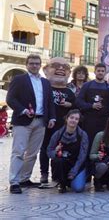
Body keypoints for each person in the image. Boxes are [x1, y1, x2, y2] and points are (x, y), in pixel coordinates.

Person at [7, 54, 56, 194]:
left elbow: (49, 102)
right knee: (18, 152)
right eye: (32, 63)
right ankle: (14, 182)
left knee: (32, 153)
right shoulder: (19, 79)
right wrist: (22, 110)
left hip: (40, 121)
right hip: (22, 121)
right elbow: (10, 98)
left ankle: (24, 179)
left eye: (37, 63)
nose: (34, 66)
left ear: (40, 65)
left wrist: (52, 117)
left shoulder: (46, 83)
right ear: (27, 64)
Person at [40, 57, 75, 184]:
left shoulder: (70, 92)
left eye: (65, 67)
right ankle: (44, 174)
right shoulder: (42, 88)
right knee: (44, 149)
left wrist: (69, 105)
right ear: (45, 70)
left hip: (63, 127)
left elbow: (76, 108)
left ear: (69, 73)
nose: (61, 69)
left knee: (61, 150)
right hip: (46, 124)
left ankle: (57, 175)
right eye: (56, 65)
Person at [47, 109, 88, 193]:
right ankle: (61, 183)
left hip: (76, 164)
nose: (73, 120)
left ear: (79, 121)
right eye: (71, 118)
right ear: (67, 119)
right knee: (58, 161)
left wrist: (74, 171)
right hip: (62, 164)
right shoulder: (57, 134)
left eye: (76, 119)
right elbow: (49, 151)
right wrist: (55, 151)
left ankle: (71, 181)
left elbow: (82, 156)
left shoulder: (83, 135)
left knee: (78, 188)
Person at [76, 63, 109, 147]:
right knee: (87, 142)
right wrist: (91, 106)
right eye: (98, 71)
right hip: (88, 120)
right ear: (94, 72)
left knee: (101, 143)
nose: (100, 73)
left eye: (102, 71)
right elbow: (79, 101)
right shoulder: (87, 85)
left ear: (105, 72)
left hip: (104, 121)